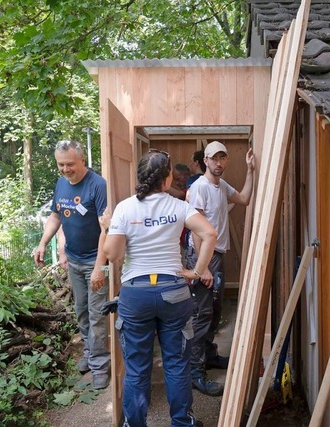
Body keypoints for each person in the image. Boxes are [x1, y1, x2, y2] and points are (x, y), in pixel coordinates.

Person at [103, 149, 217, 427]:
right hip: (174, 290)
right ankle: (182, 422)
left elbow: (113, 255)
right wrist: (197, 272)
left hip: (136, 292)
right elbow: (209, 234)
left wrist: (108, 227)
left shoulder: (125, 208)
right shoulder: (178, 206)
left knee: (137, 368)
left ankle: (135, 424)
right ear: (167, 179)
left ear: (140, 176)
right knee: (177, 363)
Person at [34, 139, 110, 390]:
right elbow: (56, 215)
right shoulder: (61, 184)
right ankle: (90, 353)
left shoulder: (98, 185)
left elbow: (105, 229)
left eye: (69, 164)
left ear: (82, 161)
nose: (65, 169)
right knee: (81, 310)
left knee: (98, 314)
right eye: (60, 165)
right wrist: (44, 243)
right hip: (75, 260)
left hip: (94, 261)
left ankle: (100, 365)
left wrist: (100, 265)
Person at [186, 140, 256, 396]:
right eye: (214, 158)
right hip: (204, 257)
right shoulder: (199, 188)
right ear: (205, 160)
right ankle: (196, 372)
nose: (218, 163)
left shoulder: (221, 186)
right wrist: (201, 267)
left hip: (217, 257)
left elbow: (245, 199)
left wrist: (250, 170)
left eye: (222, 158)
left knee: (214, 311)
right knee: (201, 315)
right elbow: (195, 228)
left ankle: (209, 355)